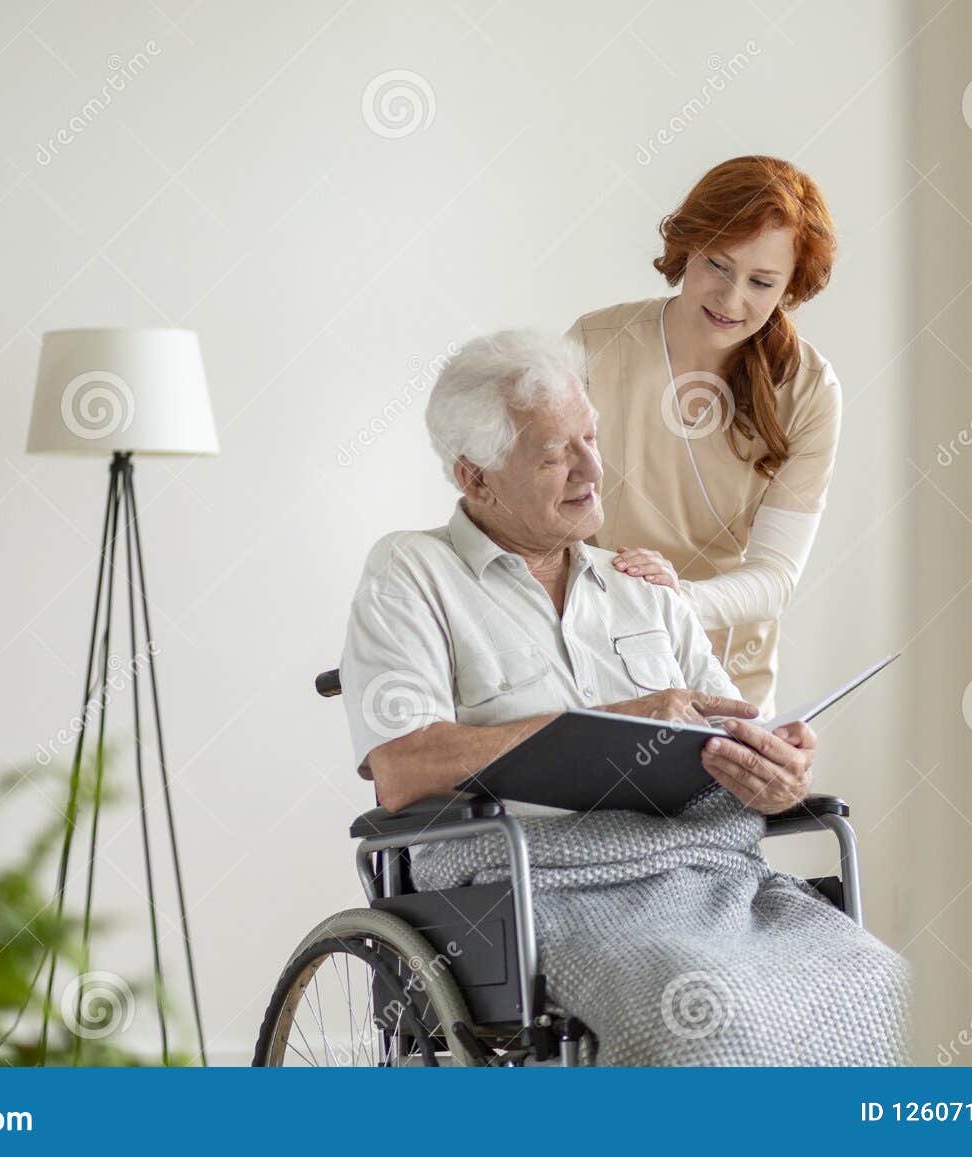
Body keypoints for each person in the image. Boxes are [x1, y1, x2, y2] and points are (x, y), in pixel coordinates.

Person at [336, 327, 909, 1066]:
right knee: (708, 1026)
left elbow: (741, 742)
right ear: (474, 477)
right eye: (554, 455)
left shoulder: (646, 589)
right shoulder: (411, 572)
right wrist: (608, 723)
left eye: (591, 438)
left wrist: (777, 773)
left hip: (715, 878)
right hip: (537, 891)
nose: (591, 470)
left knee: (891, 993)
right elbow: (404, 768)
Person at [567, 155, 843, 715]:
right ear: (687, 248)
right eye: (718, 265)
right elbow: (539, 515)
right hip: (596, 662)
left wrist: (680, 599)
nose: (731, 298)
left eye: (762, 282)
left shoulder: (808, 391)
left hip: (724, 680)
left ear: (789, 289)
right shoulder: (596, 345)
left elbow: (775, 576)